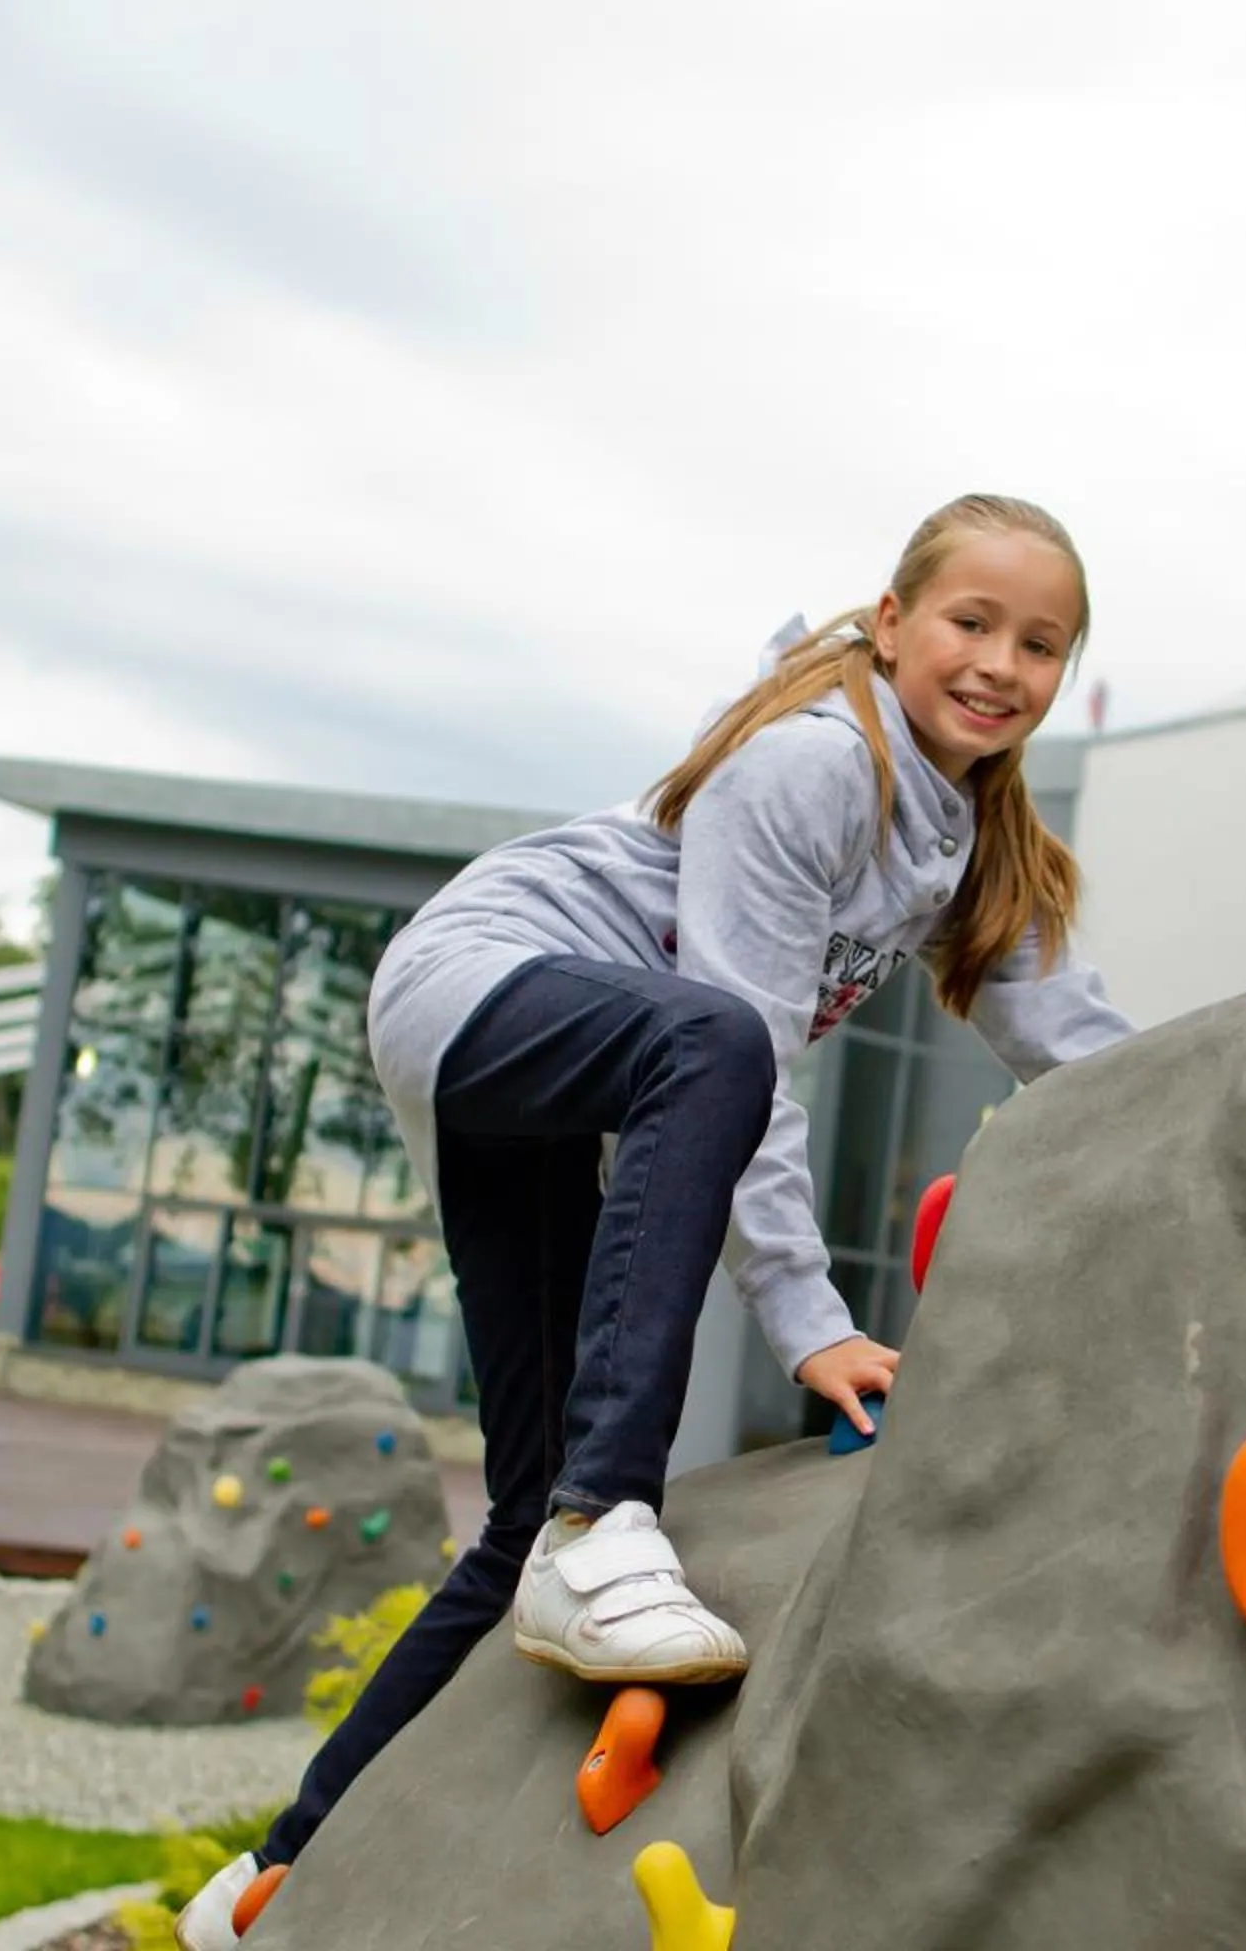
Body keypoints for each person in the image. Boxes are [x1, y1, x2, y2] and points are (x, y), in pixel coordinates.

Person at [179, 493, 1135, 1948]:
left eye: (1043, 644)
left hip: (558, 1078)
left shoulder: (961, 837)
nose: (1002, 662)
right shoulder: (820, 764)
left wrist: (1228, 1102)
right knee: (715, 1057)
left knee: (511, 1517)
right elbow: (732, 1049)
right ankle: (599, 1526)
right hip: (480, 983)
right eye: (971, 621)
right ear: (892, 624)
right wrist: (810, 1320)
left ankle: (270, 1879)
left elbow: (1078, 1043)